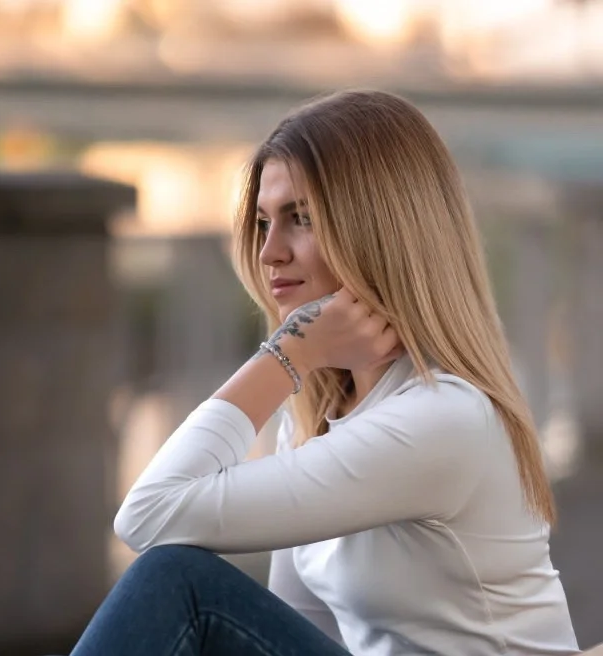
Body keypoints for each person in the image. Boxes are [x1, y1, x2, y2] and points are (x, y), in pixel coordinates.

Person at [69, 90, 579, 656]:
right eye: (264, 222)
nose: (269, 253)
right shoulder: (322, 410)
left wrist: (284, 356)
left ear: (384, 232)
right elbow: (299, 623)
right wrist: (297, 366)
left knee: (176, 584)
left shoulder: (441, 419)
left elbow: (149, 514)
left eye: (302, 219)